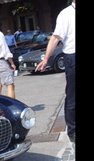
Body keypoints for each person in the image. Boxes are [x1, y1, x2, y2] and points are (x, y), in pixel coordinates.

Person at [36, 0, 75, 142]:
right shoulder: (65, 14)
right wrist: (46, 58)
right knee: (72, 96)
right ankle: (72, 130)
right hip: (72, 57)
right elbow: (55, 38)